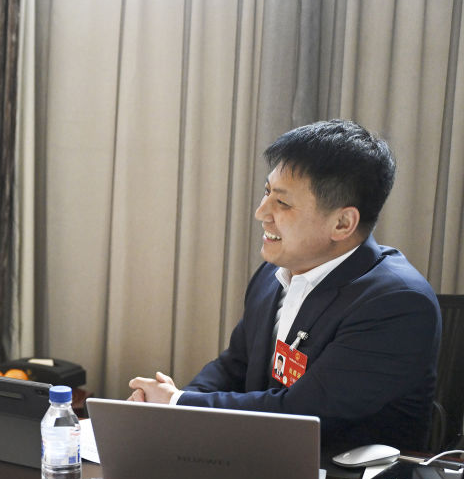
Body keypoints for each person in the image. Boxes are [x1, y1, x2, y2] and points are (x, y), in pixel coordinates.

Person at [128, 120, 441, 453]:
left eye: (283, 203)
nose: (261, 213)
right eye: (267, 193)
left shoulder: (397, 303)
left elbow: (302, 413)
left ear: (342, 223)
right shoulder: (273, 274)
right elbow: (234, 366)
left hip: (344, 477)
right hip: (262, 457)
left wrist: (178, 402)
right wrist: (172, 410)